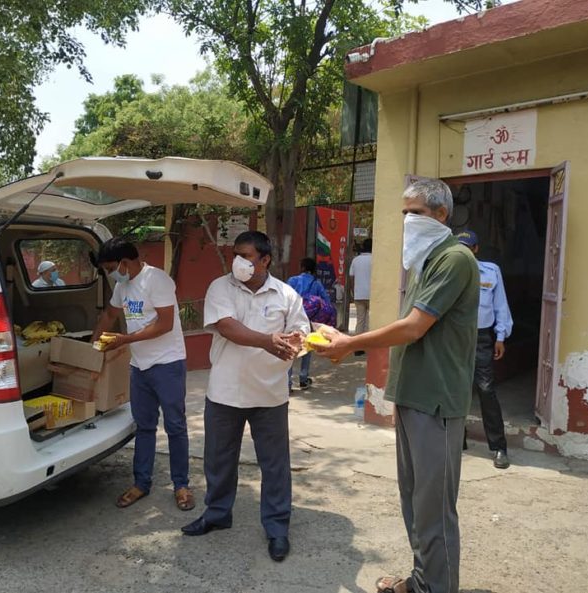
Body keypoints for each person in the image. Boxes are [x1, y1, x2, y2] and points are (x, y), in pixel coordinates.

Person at [311, 180, 478, 593]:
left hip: (436, 400)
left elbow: (414, 327)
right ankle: (423, 580)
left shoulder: (454, 259)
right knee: (415, 502)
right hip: (412, 395)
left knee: (434, 508)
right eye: (404, 212)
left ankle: (435, 588)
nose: (407, 220)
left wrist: (350, 343)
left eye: (416, 212)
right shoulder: (425, 262)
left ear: (441, 215)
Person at [181, 231, 309, 563]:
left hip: (270, 394)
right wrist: (268, 340)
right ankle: (217, 513)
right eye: (235, 253)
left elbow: (301, 333)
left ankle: (277, 527)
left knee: (275, 465)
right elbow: (226, 327)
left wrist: (295, 342)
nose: (238, 260)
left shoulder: (286, 295)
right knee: (218, 460)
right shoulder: (221, 287)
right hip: (225, 392)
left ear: (265, 260)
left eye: (246, 255)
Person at [92, 238, 194, 512]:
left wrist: (123, 339)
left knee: (175, 426)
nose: (110, 273)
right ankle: (141, 483)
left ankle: (181, 485)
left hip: (167, 364)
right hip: (140, 367)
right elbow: (109, 315)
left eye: (112, 267)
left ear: (125, 262)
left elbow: (165, 324)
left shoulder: (156, 280)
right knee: (145, 426)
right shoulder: (121, 286)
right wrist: (92, 346)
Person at [456, 230, 513, 469]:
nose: (465, 252)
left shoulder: (491, 271)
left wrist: (501, 336)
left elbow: (501, 305)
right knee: (455, 388)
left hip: (481, 338)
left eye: (468, 248)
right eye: (460, 248)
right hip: (455, 337)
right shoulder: (450, 272)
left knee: (486, 390)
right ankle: (457, 440)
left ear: (476, 249)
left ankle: (499, 447)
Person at [286, 257, 330, 390]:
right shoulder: (316, 283)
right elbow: (326, 300)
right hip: (309, 319)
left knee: (289, 347)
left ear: (302, 267)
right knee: (307, 346)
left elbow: (283, 297)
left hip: (292, 317)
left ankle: (287, 383)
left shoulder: (293, 280)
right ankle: (303, 378)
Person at [349, 238, 373, 356]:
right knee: (370, 321)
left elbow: (352, 278)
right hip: (372, 295)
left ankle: (358, 347)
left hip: (359, 294)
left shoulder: (356, 260)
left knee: (360, 321)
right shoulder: (375, 260)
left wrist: (353, 291)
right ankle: (368, 345)